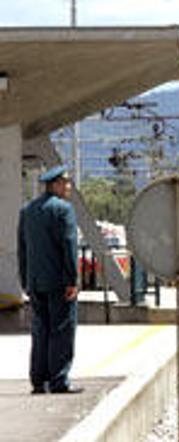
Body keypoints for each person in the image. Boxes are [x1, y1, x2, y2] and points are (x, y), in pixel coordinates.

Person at [17, 165, 82, 395]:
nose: (68, 187)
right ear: (55, 185)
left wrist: (26, 280)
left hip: (35, 283)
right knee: (62, 331)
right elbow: (68, 246)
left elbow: (22, 250)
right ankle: (59, 380)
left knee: (40, 331)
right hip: (59, 283)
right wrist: (72, 280)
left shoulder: (28, 211)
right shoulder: (63, 210)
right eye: (65, 183)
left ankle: (38, 381)